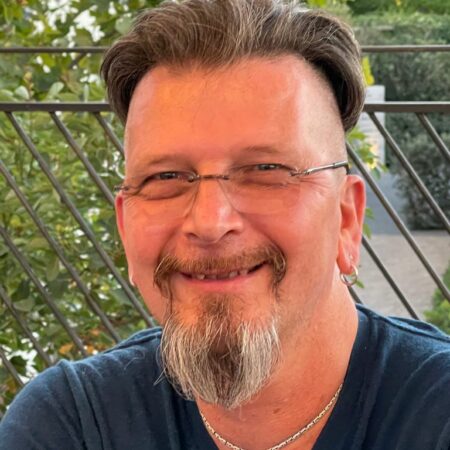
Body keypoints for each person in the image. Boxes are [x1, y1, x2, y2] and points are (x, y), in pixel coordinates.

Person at [1, 1, 449, 449]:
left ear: (346, 220)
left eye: (266, 170)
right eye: (165, 177)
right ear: (125, 225)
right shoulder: (71, 425)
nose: (210, 222)